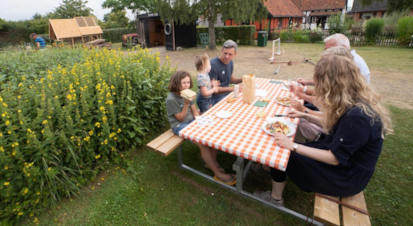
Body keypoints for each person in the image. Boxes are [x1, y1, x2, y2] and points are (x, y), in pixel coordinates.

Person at [254, 55, 392, 207]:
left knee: (282, 153)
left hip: (345, 177)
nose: (317, 87)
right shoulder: (354, 101)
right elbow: (335, 125)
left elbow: (334, 158)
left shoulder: (357, 117)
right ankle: (268, 168)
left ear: (331, 84)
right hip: (343, 161)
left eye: (319, 82)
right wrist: (304, 115)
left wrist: (293, 146)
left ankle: (275, 199)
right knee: (288, 147)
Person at [166, 70, 236, 185]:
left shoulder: (188, 93)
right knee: (202, 143)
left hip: (191, 121)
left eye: (188, 82)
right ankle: (217, 174)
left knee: (211, 135)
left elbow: (195, 112)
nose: (186, 85)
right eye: (183, 83)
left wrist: (201, 122)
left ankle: (211, 162)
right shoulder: (171, 99)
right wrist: (186, 103)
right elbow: (180, 118)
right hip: (179, 125)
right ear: (176, 83)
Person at [208, 40, 243, 105]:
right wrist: (231, 89)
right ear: (222, 51)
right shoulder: (213, 65)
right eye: (225, 53)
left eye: (230, 54)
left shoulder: (230, 62)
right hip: (214, 99)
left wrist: (243, 79)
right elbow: (213, 89)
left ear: (235, 54)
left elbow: (230, 79)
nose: (227, 56)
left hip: (226, 95)